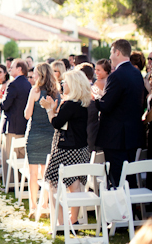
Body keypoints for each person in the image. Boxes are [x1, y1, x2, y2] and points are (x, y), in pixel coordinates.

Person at [40, 70, 92, 225]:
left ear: (74, 85)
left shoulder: (69, 104)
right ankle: (73, 220)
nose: (62, 84)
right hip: (81, 148)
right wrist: (56, 109)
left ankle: (61, 223)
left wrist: (50, 109)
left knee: (53, 185)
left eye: (65, 82)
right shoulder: (83, 103)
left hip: (65, 150)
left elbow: (56, 124)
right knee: (75, 186)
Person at [95, 39, 146, 186]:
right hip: (133, 135)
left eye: (111, 52)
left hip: (116, 138)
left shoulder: (116, 76)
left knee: (117, 179)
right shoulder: (137, 74)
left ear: (117, 52)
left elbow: (105, 106)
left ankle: (119, 209)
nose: (110, 56)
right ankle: (132, 208)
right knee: (130, 178)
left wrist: (97, 98)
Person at [23, 63, 60, 217]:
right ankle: (44, 205)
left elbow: (27, 114)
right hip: (50, 135)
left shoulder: (35, 91)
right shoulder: (57, 93)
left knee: (33, 173)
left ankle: (33, 206)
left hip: (35, 134)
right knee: (46, 173)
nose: (34, 76)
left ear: (40, 75)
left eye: (36, 73)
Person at [0, 59, 31, 185]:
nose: (10, 69)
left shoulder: (13, 84)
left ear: (19, 69)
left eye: (13, 67)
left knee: (9, 156)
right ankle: (22, 183)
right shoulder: (28, 84)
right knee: (21, 156)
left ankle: (10, 183)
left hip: (11, 126)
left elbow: (5, 105)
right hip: (23, 126)